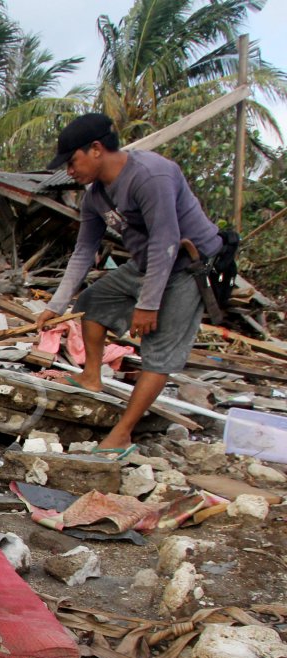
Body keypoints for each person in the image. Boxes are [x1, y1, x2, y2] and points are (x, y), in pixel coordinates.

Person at [35, 113, 222, 455]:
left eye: (72, 162)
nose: (70, 172)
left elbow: (167, 239)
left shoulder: (151, 175)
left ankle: (123, 433)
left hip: (188, 265)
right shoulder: (94, 197)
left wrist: (147, 304)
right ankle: (91, 375)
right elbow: (83, 251)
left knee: (158, 350)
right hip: (147, 261)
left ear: (95, 149)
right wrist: (54, 306)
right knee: (92, 302)